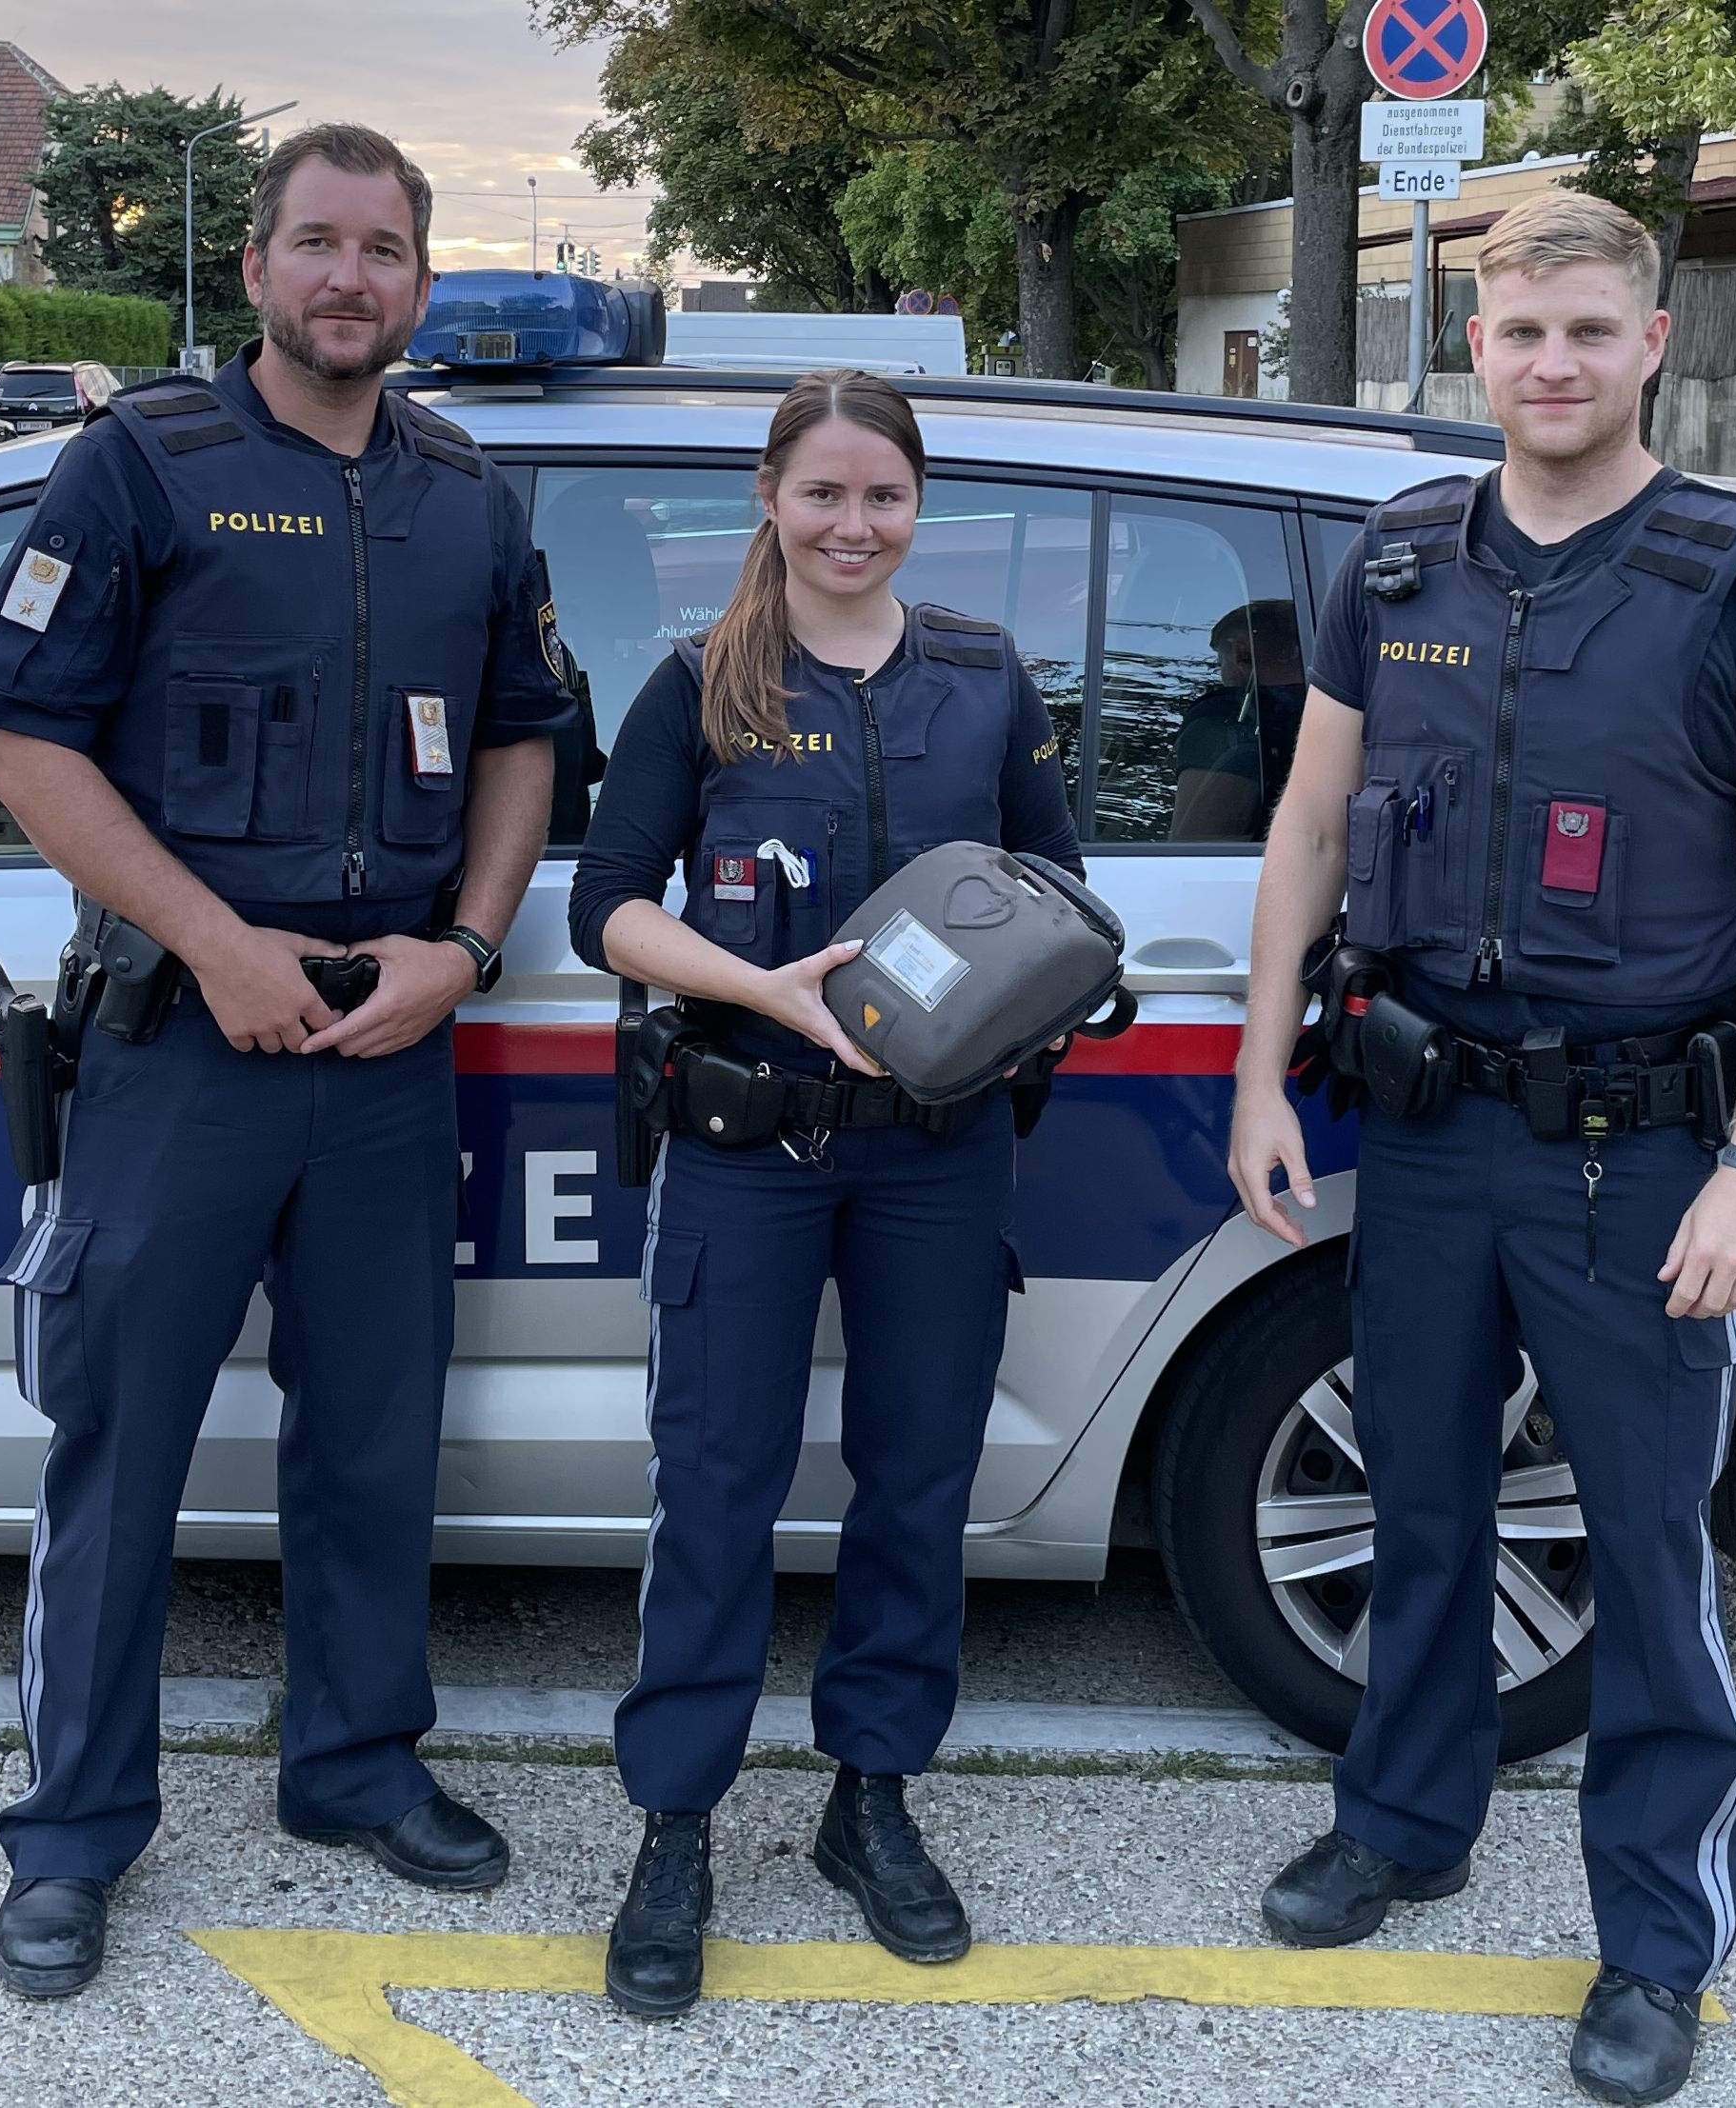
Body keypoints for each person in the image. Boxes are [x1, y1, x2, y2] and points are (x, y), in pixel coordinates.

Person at [1227, 190, 1736, 2107]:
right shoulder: (1401, 555)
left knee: (1654, 1568)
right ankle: (1404, 1821)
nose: (1555, 364)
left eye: (1590, 330)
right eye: (1521, 335)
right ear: (1477, 350)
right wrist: (1264, 1078)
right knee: (1425, 1504)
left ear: (1652, 341)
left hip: (1639, 1160)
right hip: (1425, 1138)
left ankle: (1658, 1944)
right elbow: (1311, 834)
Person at [0, 124, 570, 1999]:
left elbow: (529, 737)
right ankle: (69, 1836)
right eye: (318, 244)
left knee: (376, 1442)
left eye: (383, 250)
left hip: (385, 1047)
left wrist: (463, 949)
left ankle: (355, 1765)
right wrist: (213, 947)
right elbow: (21, 748)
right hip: (184, 1049)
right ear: (263, 269)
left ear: (419, 283)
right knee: (118, 1453)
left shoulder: (470, 495)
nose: (349, 279)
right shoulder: (141, 466)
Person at [567, 371, 1081, 2019]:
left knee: (913, 1477)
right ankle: (676, 1817)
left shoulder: (987, 680)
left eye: (884, 497)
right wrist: (768, 988)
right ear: (768, 501)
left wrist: (1029, 996)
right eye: (822, 495)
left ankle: (872, 1795)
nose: (853, 526)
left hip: (938, 1157)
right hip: (743, 1148)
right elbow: (604, 909)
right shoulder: (698, 685)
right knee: (712, 1485)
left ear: (918, 508)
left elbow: (1057, 894)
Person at [1170, 598, 1308, 841]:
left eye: (1220, 662)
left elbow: (1193, 844)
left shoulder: (1219, 718)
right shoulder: (1343, 711)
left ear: (1240, 652)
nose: (1222, 674)